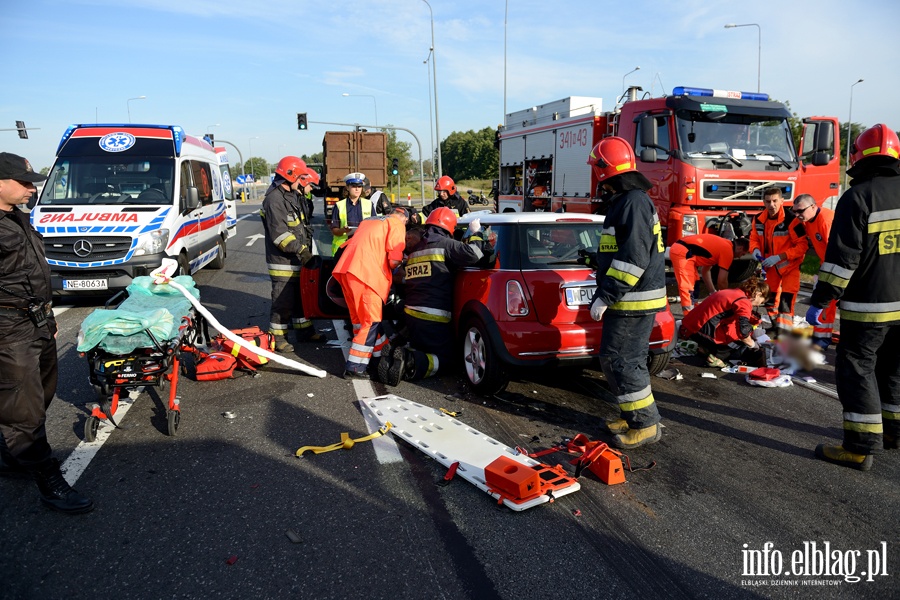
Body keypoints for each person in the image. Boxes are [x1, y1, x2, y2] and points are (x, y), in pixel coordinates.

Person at [0, 152, 93, 514]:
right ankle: (48, 480)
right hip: (8, 330)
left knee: (40, 397)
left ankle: (11, 457)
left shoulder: (19, 219)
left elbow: (33, 275)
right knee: (24, 410)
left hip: (36, 323)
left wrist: (49, 321)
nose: (30, 188)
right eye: (23, 182)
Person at [807, 124, 900, 471]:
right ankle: (893, 432)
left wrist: (820, 300)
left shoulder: (858, 197)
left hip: (869, 308)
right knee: (894, 370)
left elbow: (841, 263)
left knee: (858, 370)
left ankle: (860, 447)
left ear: (860, 158)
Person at [586, 137, 668, 449]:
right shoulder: (629, 200)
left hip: (632, 299)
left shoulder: (632, 202)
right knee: (618, 359)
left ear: (604, 170)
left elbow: (634, 259)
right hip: (631, 298)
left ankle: (645, 424)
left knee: (621, 361)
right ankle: (632, 414)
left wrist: (607, 294)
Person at [378, 207, 491, 386]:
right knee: (449, 361)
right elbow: (474, 254)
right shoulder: (445, 244)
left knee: (426, 348)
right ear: (448, 228)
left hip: (411, 315)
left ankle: (395, 355)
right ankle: (410, 360)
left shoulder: (416, 251)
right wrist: (476, 233)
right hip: (434, 316)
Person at [333, 207, 409, 379]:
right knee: (371, 321)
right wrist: (403, 263)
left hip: (347, 271)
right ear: (403, 218)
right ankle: (355, 367)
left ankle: (378, 356)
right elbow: (394, 260)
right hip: (367, 275)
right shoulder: (396, 223)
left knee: (360, 322)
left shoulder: (370, 221)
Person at [261, 156, 322, 351]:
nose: (303, 181)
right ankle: (277, 339)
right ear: (291, 175)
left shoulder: (290, 196)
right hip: (283, 262)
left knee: (299, 298)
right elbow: (280, 236)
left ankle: (304, 331)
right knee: (283, 301)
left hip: (295, 259)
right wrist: (302, 251)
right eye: (301, 177)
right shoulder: (274, 200)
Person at [748, 187, 809, 337]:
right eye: (768, 201)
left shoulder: (791, 220)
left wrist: (780, 256)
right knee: (768, 299)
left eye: (775, 201)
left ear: (782, 201)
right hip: (771, 266)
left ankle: (785, 332)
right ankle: (777, 327)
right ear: (763, 202)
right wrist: (755, 250)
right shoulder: (759, 219)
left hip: (790, 266)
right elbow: (754, 238)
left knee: (786, 302)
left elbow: (802, 245)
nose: (772, 205)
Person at [678, 277, 769, 368]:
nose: (758, 305)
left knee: (734, 331)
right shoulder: (743, 301)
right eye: (761, 302)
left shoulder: (731, 292)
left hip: (689, 326)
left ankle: (705, 348)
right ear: (758, 294)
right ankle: (715, 355)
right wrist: (753, 345)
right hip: (701, 331)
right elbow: (743, 331)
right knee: (739, 347)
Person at [791, 194, 837, 351]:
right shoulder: (809, 220)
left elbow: (836, 250)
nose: (797, 215)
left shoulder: (825, 220)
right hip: (827, 265)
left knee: (827, 302)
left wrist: (827, 274)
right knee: (826, 304)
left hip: (835, 267)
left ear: (813, 206)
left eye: (800, 211)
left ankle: (822, 340)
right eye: (794, 212)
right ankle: (821, 338)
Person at [669, 234, 750, 313]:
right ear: (740, 248)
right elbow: (722, 281)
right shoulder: (728, 250)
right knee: (688, 288)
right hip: (683, 252)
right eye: (742, 254)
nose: (740, 257)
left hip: (684, 250)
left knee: (695, 284)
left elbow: (705, 271)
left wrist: (713, 292)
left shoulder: (724, 245)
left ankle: (694, 314)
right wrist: (727, 299)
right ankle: (689, 318)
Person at [330, 172, 374, 255]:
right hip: (343, 249)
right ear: (347, 187)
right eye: (354, 186)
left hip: (363, 247)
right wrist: (343, 230)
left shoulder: (369, 204)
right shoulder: (339, 205)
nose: (357, 189)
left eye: (359, 186)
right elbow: (334, 229)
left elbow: (375, 226)